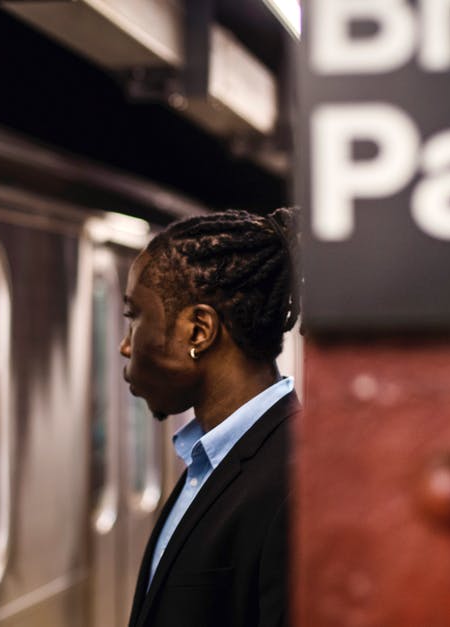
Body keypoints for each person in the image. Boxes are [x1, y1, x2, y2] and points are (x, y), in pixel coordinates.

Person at [121, 207, 301, 627]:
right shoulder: (212, 462)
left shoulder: (294, 483)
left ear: (199, 331)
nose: (125, 347)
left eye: (134, 318)